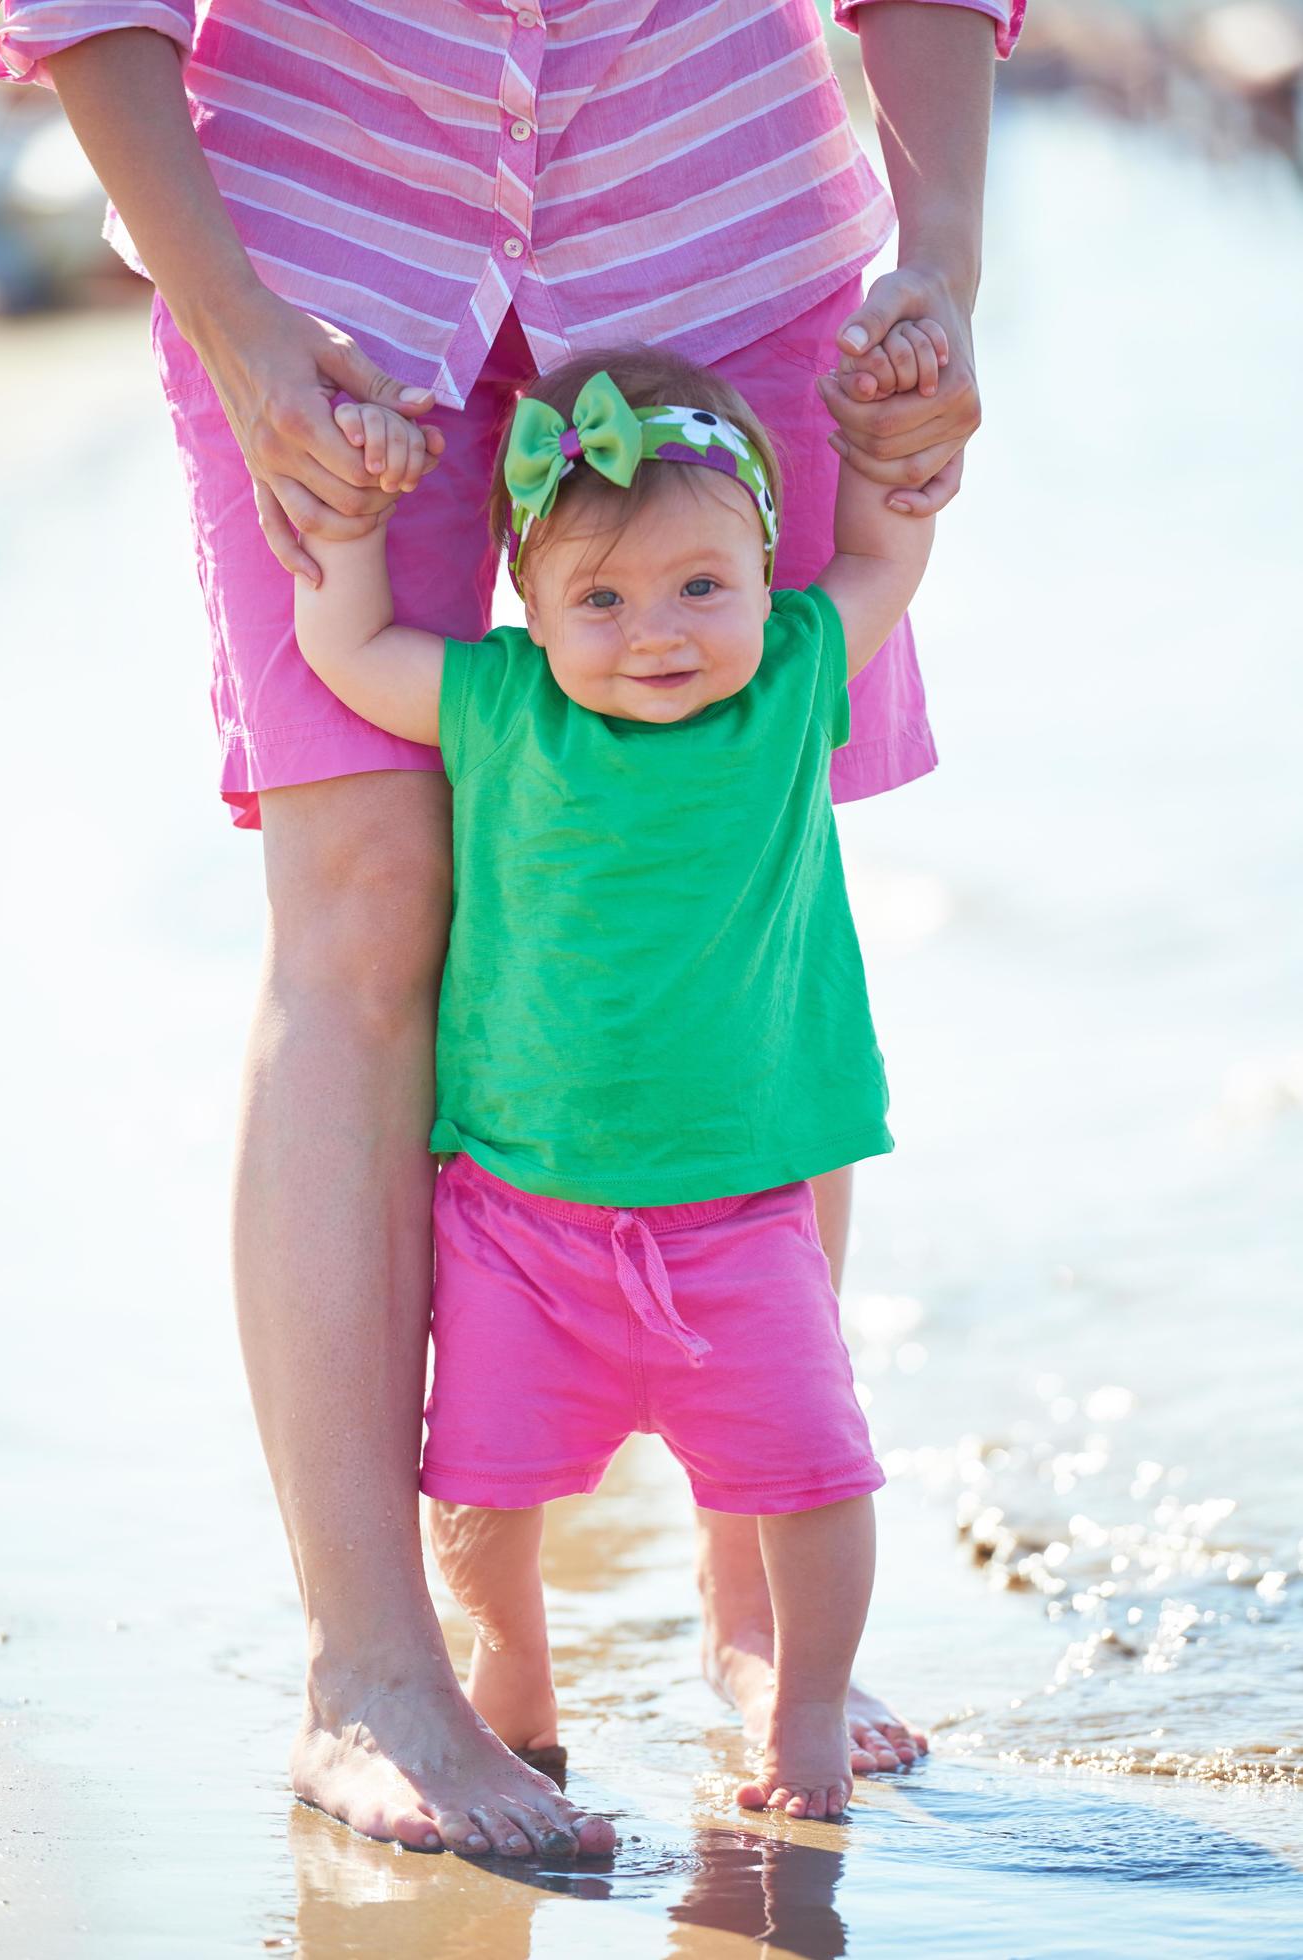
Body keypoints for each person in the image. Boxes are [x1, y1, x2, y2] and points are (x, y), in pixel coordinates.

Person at [0, 0, 1022, 1858]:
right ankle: (376, 1672)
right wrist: (225, 314)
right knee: (363, 906)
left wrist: (939, 258)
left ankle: (755, 1614)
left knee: (744, 876)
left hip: (728, 215)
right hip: (309, 244)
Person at [292, 339, 944, 1826]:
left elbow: (887, 553)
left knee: (816, 1480)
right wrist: (342, 542)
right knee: (481, 1484)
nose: (655, 632)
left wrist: (900, 427)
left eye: (700, 588)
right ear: (531, 604)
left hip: (744, 1219)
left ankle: (809, 1711)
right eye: (600, 598)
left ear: (763, 578)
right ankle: (510, 1677)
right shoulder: (506, 702)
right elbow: (351, 656)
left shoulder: (788, 680)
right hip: (523, 1219)